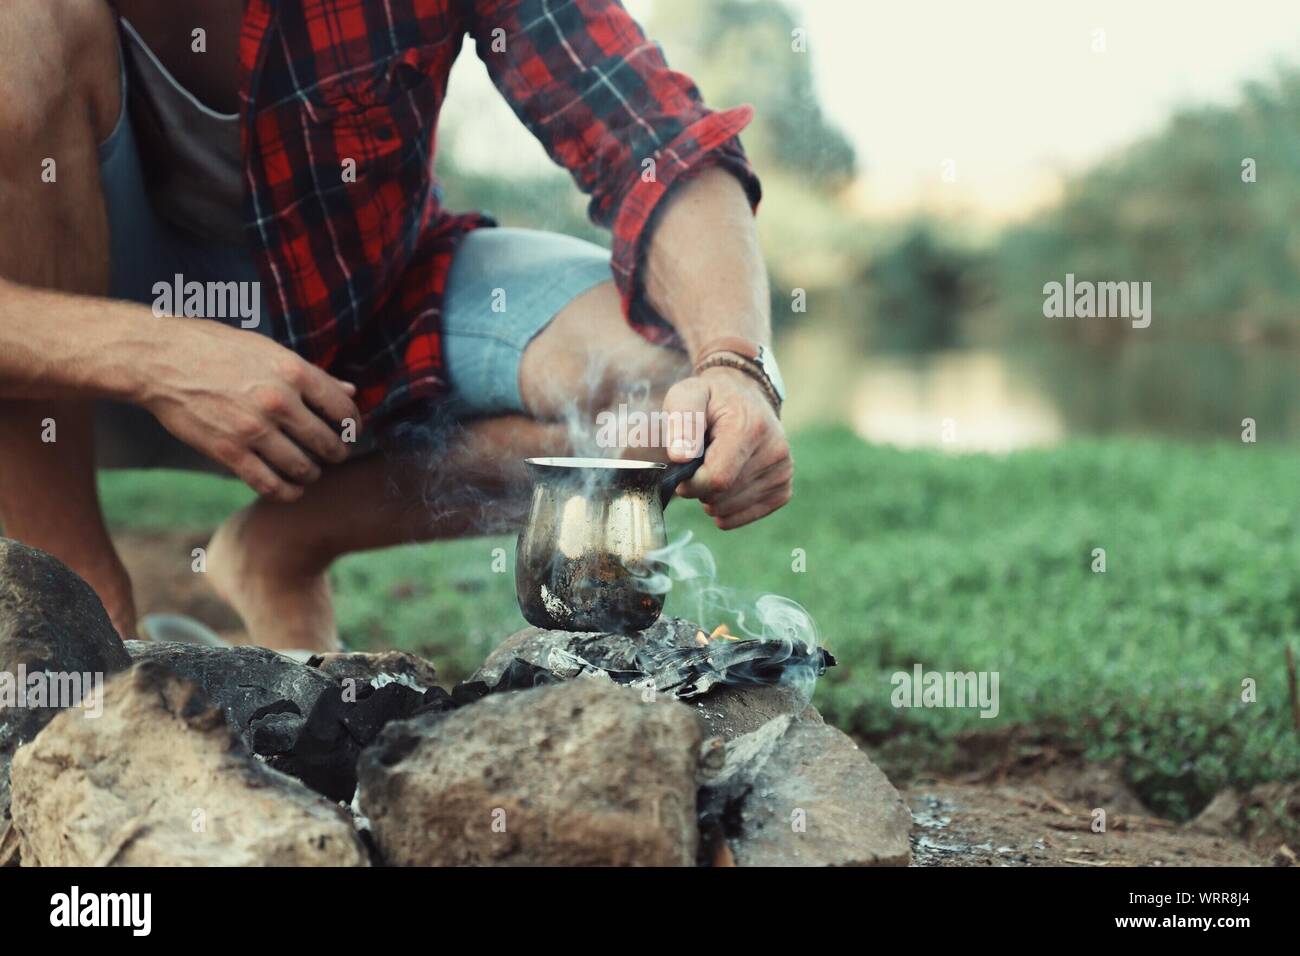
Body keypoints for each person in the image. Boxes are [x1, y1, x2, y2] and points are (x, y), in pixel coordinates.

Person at [0, 0, 793, 651]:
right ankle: (82, 615)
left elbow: (651, 137)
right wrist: (157, 354)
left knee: (657, 390)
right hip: (77, 353)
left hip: (358, 316)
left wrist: (732, 361)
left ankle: (281, 547)